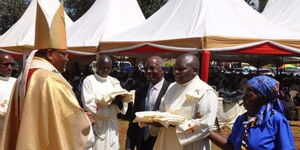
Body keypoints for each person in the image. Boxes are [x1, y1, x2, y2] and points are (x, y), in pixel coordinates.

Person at [0, 3, 92, 150]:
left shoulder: (23, 77)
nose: (67, 59)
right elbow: (70, 123)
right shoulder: (50, 80)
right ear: (50, 54)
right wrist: (85, 121)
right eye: (64, 54)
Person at [150, 53, 218, 150]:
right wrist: (153, 119)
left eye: (181, 69)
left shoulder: (206, 92)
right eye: (174, 69)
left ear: (195, 71)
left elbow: (205, 125)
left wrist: (176, 125)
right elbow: (162, 112)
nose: (176, 72)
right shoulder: (171, 87)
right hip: (166, 140)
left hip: (189, 144)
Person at [210, 75, 295, 150]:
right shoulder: (241, 120)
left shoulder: (276, 120)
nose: (244, 98)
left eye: (250, 95)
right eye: (244, 93)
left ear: (263, 98)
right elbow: (231, 146)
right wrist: (207, 132)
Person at [81, 54, 128, 150]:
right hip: (98, 123)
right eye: (103, 67)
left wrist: (119, 101)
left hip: (112, 125)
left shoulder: (114, 81)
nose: (106, 70)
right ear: (97, 66)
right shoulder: (89, 81)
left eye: (108, 68)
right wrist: (107, 107)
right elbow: (88, 103)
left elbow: (122, 103)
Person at [126, 56, 171, 150]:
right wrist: (129, 146)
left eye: (152, 68)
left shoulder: (171, 90)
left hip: (161, 141)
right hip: (142, 142)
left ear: (162, 70)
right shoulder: (140, 92)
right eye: (146, 69)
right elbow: (134, 121)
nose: (148, 72)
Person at [0, 53, 17, 139]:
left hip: (12, 126)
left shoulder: (16, 82)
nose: (10, 67)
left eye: (12, 64)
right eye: (6, 64)